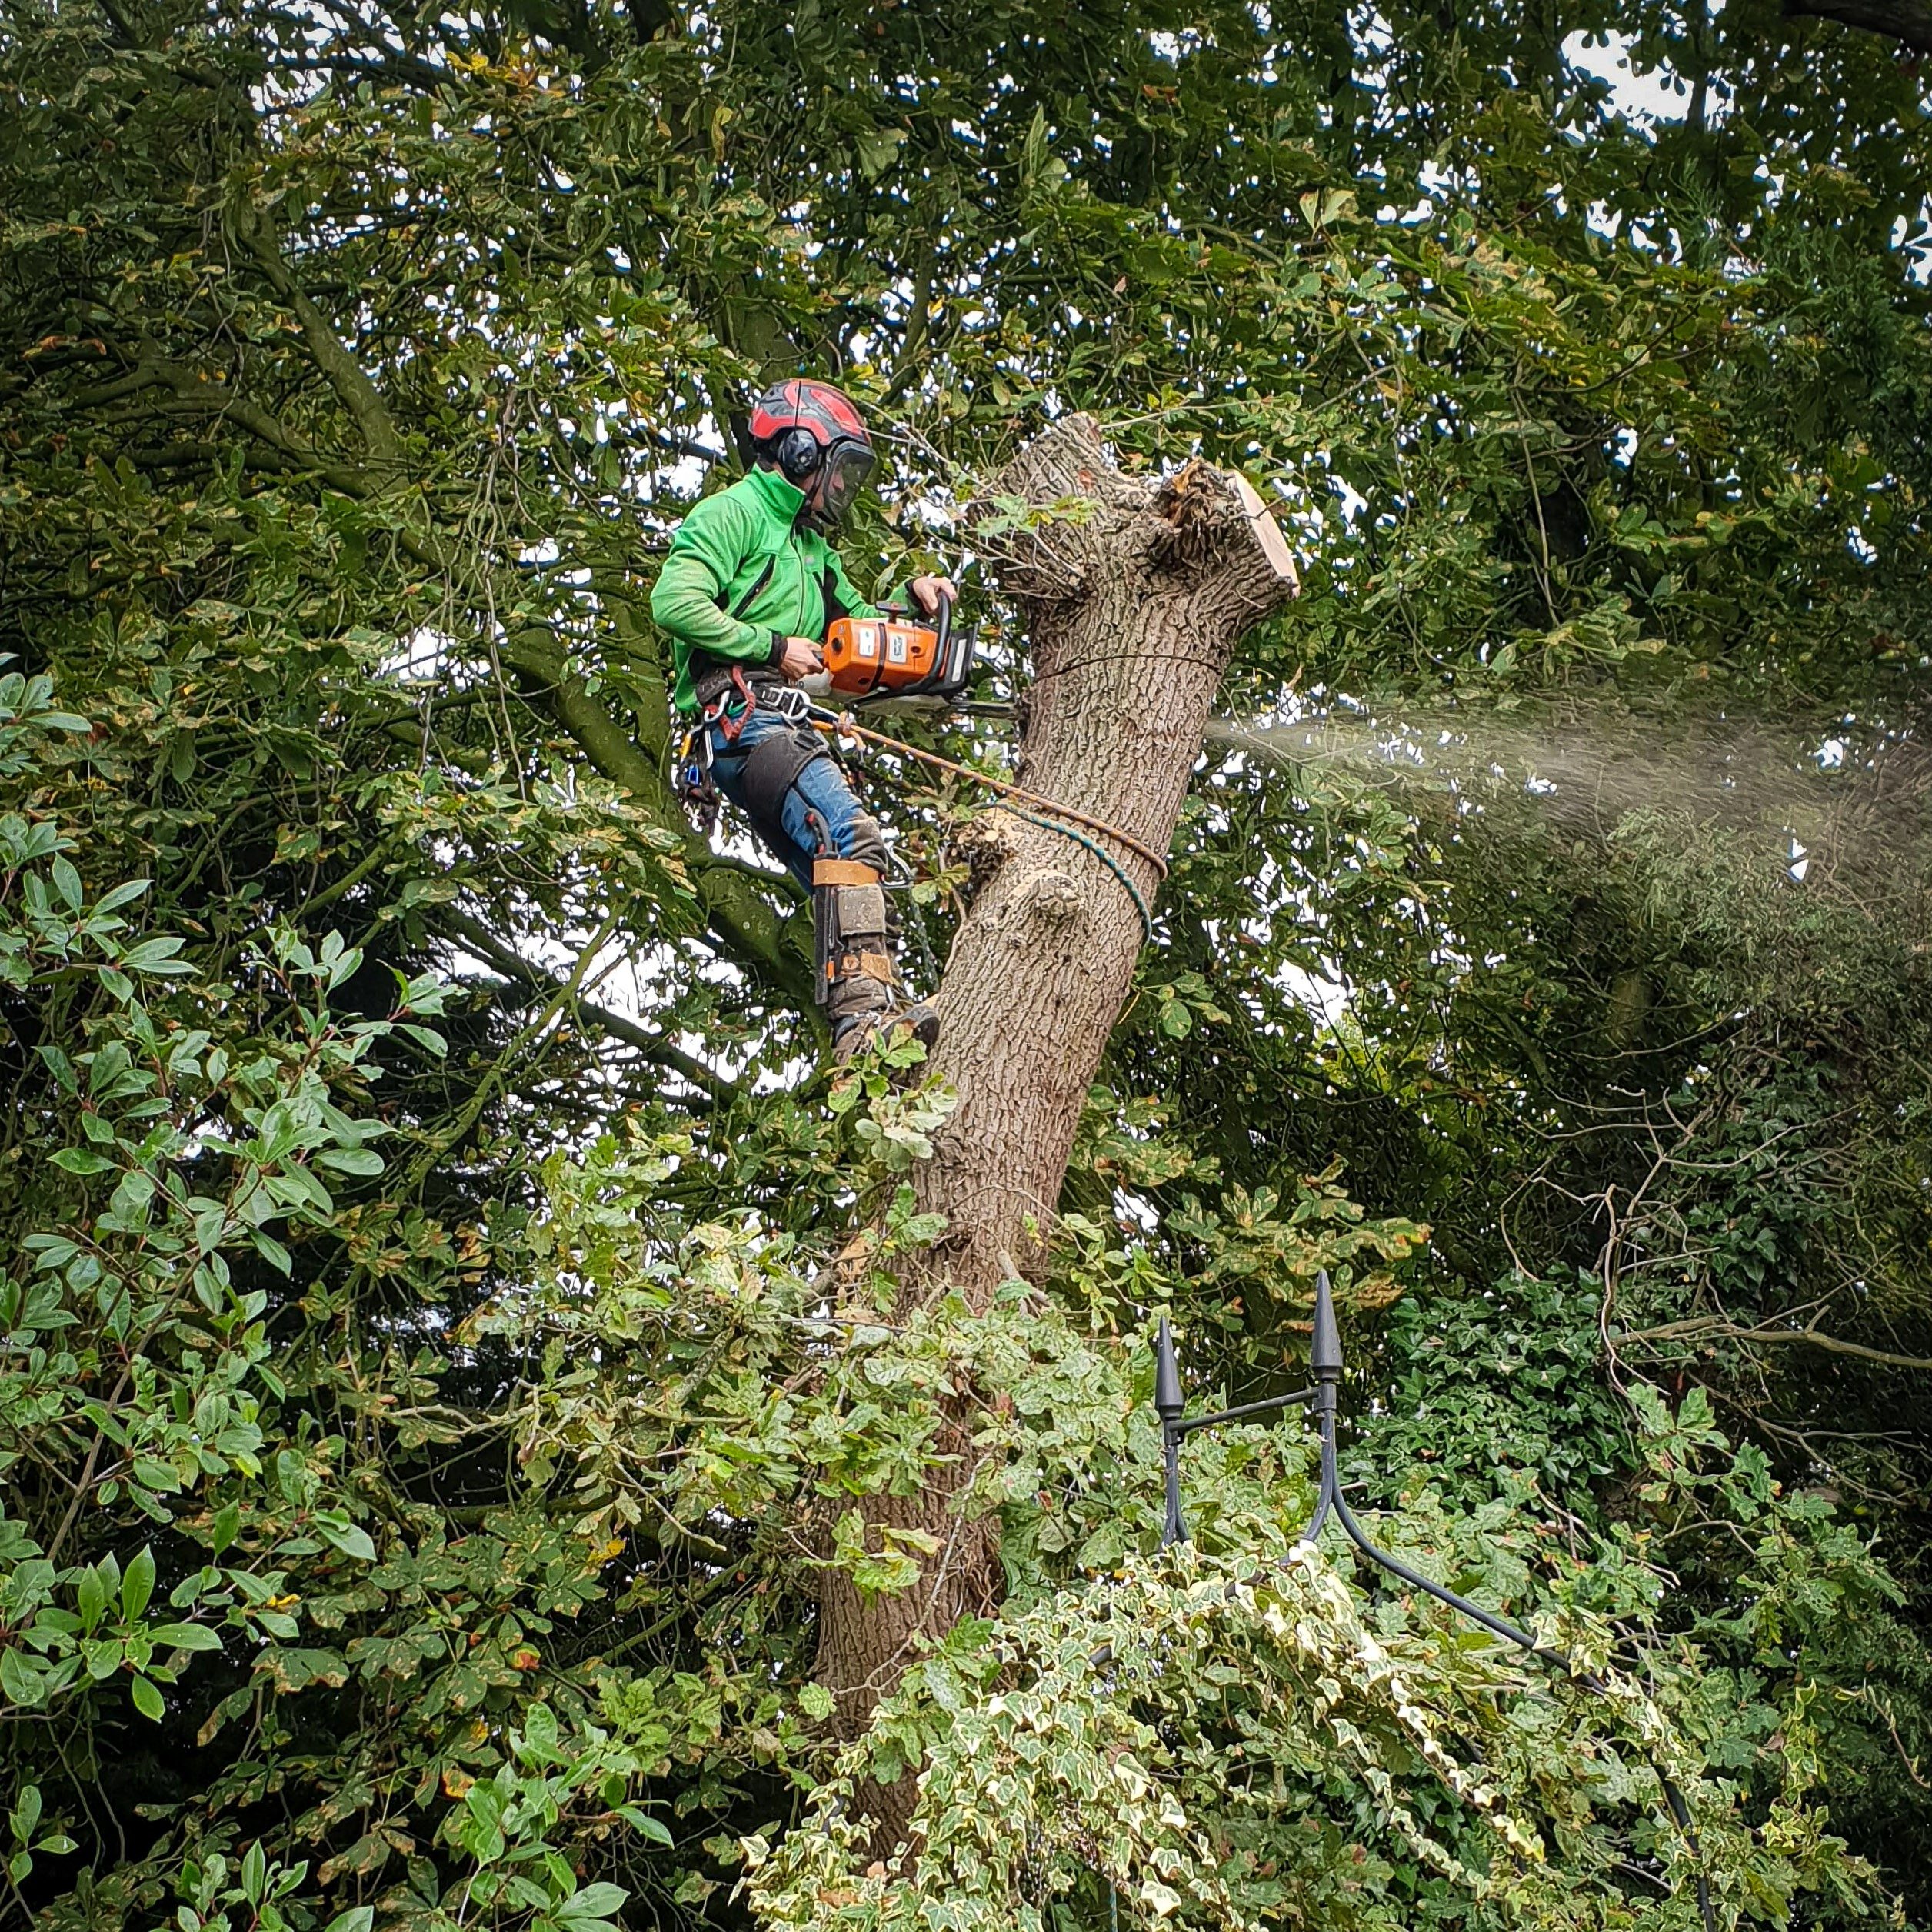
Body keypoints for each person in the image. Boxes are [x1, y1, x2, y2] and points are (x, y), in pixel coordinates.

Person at [651, 378, 954, 1064]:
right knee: (849, 832)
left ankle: (877, 1033)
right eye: (839, 469)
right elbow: (674, 602)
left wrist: (913, 605)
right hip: (740, 718)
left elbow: (859, 633)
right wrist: (772, 646)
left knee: (842, 864)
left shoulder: (815, 553)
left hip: (782, 726)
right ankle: (863, 1024)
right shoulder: (732, 516)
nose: (842, 488)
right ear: (796, 451)